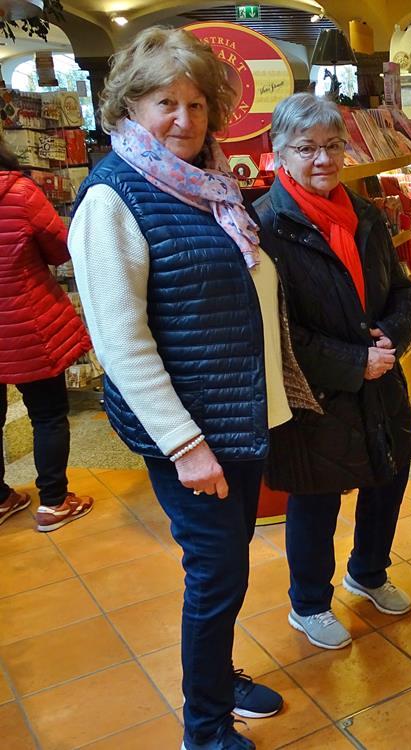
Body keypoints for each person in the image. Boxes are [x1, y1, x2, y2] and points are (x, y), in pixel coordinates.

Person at [68, 27, 297, 750]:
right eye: (165, 102)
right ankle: (204, 728)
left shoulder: (207, 187)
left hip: (238, 416)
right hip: (192, 432)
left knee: (227, 567)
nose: (184, 119)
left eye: (197, 104)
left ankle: (218, 679)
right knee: (216, 573)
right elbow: (121, 343)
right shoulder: (112, 199)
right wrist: (183, 444)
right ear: (129, 107)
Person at [254, 93, 411, 650]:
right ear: (279, 152)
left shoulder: (365, 215)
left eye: (333, 146)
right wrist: (355, 362)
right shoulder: (266, 227)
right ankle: (309, 604)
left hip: (380, 379)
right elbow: (276, 331)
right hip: (316, 391)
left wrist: (392, 333)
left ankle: (368, 572)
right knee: (317, 497)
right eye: (307, 149)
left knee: (388, 476)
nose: (323, 159)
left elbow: (402, 290)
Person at [0, 140, 94, 531]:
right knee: (48, 414)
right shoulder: (20, 193)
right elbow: (59, 249)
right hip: (27, 326)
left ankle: (1, 498)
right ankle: (54, 502)